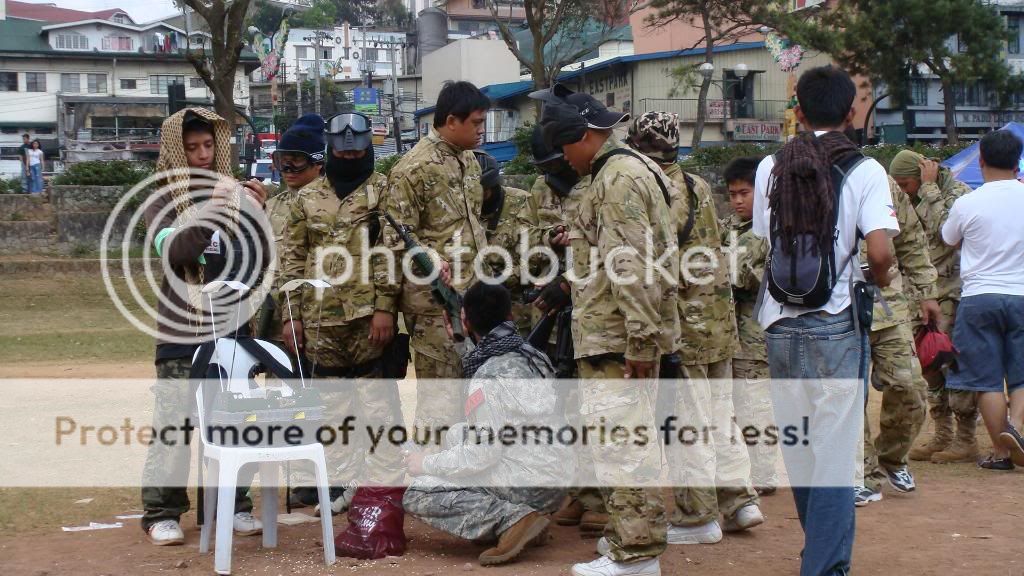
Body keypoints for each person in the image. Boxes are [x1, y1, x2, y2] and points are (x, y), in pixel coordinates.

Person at [752, 66, 897, 576]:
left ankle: (818, 551)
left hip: (778, 322)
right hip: (834, 320)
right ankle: (825, 567)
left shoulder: (770, 165)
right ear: (851, 112)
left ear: (797, 108)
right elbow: (879, 250)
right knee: (836, 455)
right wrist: (875, 274)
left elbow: (766, 241)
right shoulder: (866, 169)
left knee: (800, 449)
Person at [535, 85, 678, 576]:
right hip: (614, 335)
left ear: (581, 136)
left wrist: (641, 340)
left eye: (562, 148)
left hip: (620, 339)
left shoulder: (617, 179)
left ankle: (636, 555)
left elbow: (631, 265)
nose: (562, 161)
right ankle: (629, 540)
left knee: (623, 443)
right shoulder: (622, 172)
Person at [626, 112, 762, 546]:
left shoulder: (654, 190)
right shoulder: (696, 184)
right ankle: (739, 500)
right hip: (719, 320)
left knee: (687, 420)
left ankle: (695, 515)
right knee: (722, 414)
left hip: (684, 325)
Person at [140, 108, 270, 546]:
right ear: (176, 149)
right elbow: (177, 250)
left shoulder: (233, 191)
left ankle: (232, 505)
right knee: (175, 425)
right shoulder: (160, 199)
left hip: (232, 328)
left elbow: (259, 260)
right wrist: (214, 207)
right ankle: (162, 511)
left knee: (235, 421)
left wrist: (256, 212)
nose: (202, 155)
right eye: (192, 147)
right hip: (181, 332)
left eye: (209, 146)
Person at [277, 111, 402, 510]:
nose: (349, 157)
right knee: (331, 405)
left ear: (368, 147)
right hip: (319, 317)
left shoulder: (385, 191)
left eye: (357, 150)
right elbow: (292, 258)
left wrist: (385, 307)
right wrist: (290, 314)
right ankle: (336, 487)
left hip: (369, 316)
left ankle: (382, 485)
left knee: (376, 402)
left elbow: (391, 253)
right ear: (330, 149)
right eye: (341, 151)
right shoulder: (307, 198)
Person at [403, 282, 567, 566]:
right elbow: (476, 355)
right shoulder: (533, 355)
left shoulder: (487, 377)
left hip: (528, 483)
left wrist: (425, 464)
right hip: (557, 477)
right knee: (457, 434)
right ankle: (532, 523)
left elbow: (482, 454)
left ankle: (511, 520)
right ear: (511, 316)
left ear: (466, 320)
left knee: (418, 491)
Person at [383, 81, 489, 435]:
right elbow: (394, 237)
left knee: (471, 397)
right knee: (440, 401)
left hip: (471, 299)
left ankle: (465, 485)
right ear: (451, 120)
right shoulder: (413, 169)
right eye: (475, 122)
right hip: (434, 306)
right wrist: (430, 256)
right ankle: (431, 484)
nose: (481, 129)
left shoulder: (470, 162)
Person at [527, 125, 608, 536]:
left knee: (595, 406)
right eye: (545, 167)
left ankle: (601, 498)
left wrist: (569, 281)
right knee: (566, 404)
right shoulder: (543, 191)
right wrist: (551, 240)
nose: (553, 172)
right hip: (559, 312)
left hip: (593, 307)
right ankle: (580, 489)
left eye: (556, 163)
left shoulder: (602, 182)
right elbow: (532, 237)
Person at [940, 129, 1024, 471]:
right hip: (1022, 294)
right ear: (1017, 162)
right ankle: (1017, 428)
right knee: (1022, 375)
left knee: (986, 380)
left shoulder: (967, 202)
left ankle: (1002, 452)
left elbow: (949, 240)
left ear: (981, 160)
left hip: (979, 299)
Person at [890, 150, 980, 464]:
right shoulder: (904, 199)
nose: (903, 190)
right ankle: (942, 432)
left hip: (951, 291)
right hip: (917, 293)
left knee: (952, 364)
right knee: (928, 366)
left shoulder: (958, 194)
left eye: (906, 183)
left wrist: (929, 190)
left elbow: (946, 235)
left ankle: (966, 437)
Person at [854, 174, 939, 506]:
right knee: (849, 395)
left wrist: (928, 293)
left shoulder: (880, 180)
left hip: (886, 302)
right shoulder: (812, 176)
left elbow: (912, 240)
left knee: (910, 386)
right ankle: (861, 473)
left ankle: (890, 457)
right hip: (836, 305)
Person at [720, 156, 779, 495]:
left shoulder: (768, 228)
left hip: (755, 333)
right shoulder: (728, 227)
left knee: (756, 404)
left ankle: (764, 472)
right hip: (730, 331)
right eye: (732, 194)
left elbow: (737, 273)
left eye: (745, 192)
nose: (739, 200)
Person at [258, 114, 325, 351]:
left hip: (322, 325)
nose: (287, 168)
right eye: (281, 160)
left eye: (296, 161)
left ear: (317, 162)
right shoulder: (271, 208)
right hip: (278, 330)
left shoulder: (334, 206)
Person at [474, 150, 541, 336]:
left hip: (515, 308)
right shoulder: (465, 206)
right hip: (477, 308)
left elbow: (535, 259)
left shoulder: (521, 202)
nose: (476, 199)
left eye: (482, 192)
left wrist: (500, 279)